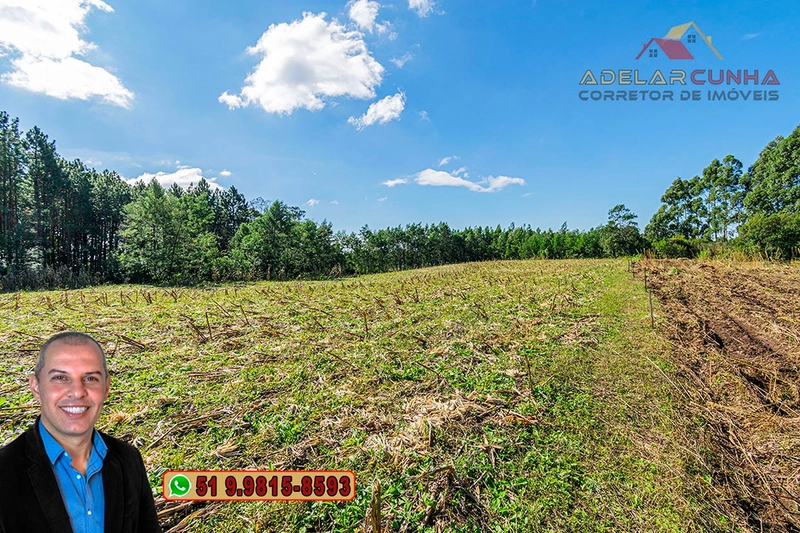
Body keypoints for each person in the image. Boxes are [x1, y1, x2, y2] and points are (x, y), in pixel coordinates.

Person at [0, 332, 161, 533]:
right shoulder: (4, 471)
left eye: (90, 378)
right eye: (60, 378)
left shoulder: (128, 459)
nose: (77, 392)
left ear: (106, 387)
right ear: (36, 387)